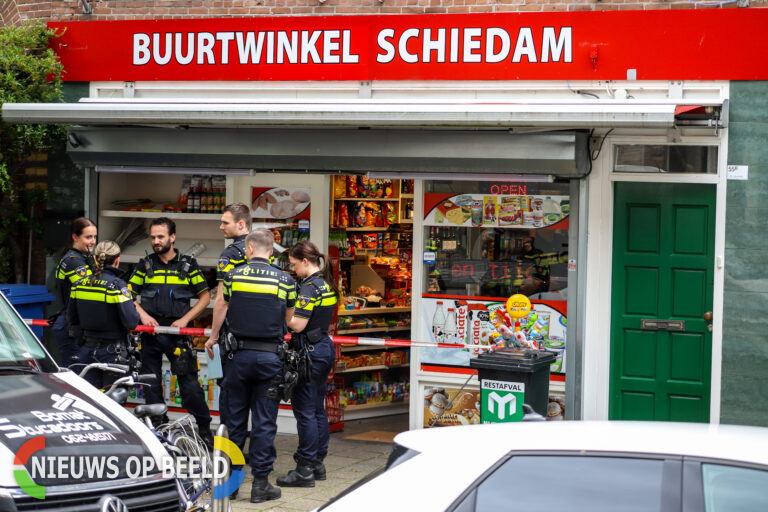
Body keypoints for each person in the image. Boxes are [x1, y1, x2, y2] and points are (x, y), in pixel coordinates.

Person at [215, 228, 296, 503]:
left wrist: (214, 337)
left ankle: (230, 486)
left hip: (237, 358)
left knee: (233, 421)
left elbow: (221, 307)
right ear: (272, 251)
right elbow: (289, 318)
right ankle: (260, 486)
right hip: (269, 359)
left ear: (249, 249)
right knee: (264, 423)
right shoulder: (285, 280)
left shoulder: (232, 276)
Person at [128, 217, 213, 449]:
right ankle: (159, 432)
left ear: (172, 237)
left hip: (178, 336)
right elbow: (127, 295)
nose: (156, 241)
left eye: (161, 237)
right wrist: (143, 316)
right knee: (152, 387)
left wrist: (185, 320)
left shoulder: (188, 265)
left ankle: (204, 429)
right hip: (150, 335)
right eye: (153, 237)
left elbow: (205, 297)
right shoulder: (145, 265)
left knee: (191, 388)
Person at [276, 241, 339, 488]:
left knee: (305, 412)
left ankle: (304, 469)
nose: (293, 271)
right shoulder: (327, 285)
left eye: (294, 265)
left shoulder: (310, 288)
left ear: (304, 260)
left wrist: (285, 312)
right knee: (317, 409)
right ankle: (317, 463)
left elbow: (298, 325)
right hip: (323, 348)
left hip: (308, 353)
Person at [204, 203, 250, 435]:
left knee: (231, 401)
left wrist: (213, 336)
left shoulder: (231, 254)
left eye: (225, 222)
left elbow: (222, 300)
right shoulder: (261, 250)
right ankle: (256, 461)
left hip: (233, 338)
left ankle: (229, 458)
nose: (220, 226)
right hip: (262, 340)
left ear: (240, 224)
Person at [68, 241, 140, 388]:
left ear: (95, 258)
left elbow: (72, 319)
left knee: (91, 401)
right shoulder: (117, 285)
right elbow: (131, 322)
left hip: (86, 351)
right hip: (113, 353)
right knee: (114, 401)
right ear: (117, 259)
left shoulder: (79, 284)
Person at [53, 217, 97, 367]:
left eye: (94, 237)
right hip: (70, 327)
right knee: (77, 374)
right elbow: (93, 289)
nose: (92, 241)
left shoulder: (84, 258)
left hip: (77, 325)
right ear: (75, 236)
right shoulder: (73, 261)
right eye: (88, 237)